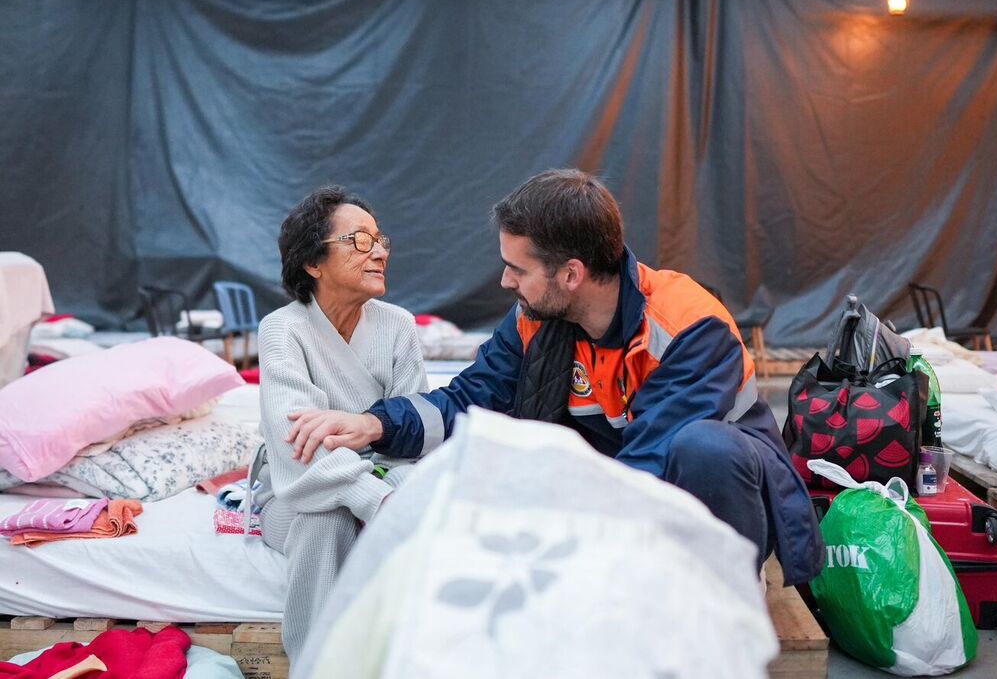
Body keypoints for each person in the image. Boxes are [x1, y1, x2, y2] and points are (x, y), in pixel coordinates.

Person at [287, 169, 823, 585]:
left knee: (706, 447)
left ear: (571, 273)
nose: (504, 280)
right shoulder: (535, 318)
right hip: (616, 489)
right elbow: (470, 400)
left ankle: (727, 593)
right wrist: (371, 425)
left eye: (517, 268)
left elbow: (649, 467)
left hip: (697, 494)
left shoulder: (687, 324)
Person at [254, 185, 427, 660]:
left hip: (385, 475)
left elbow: (413, 430)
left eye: (380, 240)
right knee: (326, 517)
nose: (380, 252)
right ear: (313, 262)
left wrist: (392, 494)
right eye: (360, 241)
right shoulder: (282, 330)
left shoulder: (399, 325)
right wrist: (378, 501)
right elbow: (299, 451)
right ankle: (319, 663)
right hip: (297, 491)